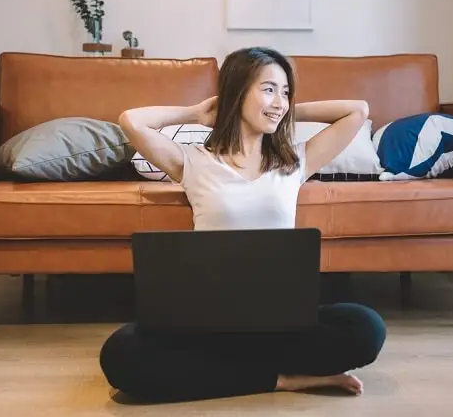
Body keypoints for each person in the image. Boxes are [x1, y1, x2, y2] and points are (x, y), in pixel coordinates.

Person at [100, 47, 386, 402]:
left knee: (365, 328)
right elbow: (131, 120)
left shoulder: (296, 161)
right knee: (120, 355)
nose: (279, 100)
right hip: (207, 318)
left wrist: (279, 108)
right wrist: (195, 112)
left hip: (280, 319)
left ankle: (227, 372)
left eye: (285, 91)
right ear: (237, 93)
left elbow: (357, 110)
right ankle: (281, 379)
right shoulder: (193, 161)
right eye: (268, 89)